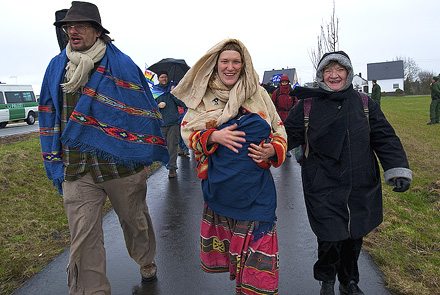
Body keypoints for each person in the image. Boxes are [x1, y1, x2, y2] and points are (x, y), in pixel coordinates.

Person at [39, 2, 169, 294]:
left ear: (97, 31)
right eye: (68, 27)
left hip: (120, 164)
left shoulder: (121, 64)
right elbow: (47, 111)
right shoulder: (56, 67)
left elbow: (143, 109)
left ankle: (145, 259)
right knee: (83, 239)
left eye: (80, 25)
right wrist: (53, 158)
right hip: (76, 167)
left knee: (135, 222)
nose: (72, 30)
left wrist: (141, 149)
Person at [283, 51, 412, 295]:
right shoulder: (307, 105)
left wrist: (397, 169)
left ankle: (349, 281)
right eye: (328, 70)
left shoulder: (364, 103)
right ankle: (327, 280)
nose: (334, 75)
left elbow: (384, 137)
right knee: (330, 237)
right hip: (322, 184)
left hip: (360, 183)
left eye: (339, 70)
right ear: (321, 74)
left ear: (348, 73)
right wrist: (266, 151)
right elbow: (286, 137)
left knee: (354, 237)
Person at [171, 38, 287, 294]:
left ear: (244, 65)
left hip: (257, 189)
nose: (230, 67)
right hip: (221, 188)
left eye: (236, 61)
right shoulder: (204, 97)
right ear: (216, 64)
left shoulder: (259, 94)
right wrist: (213, 136)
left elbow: (278, 127)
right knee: (237, 259)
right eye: (225, 61)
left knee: (258, 262)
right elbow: (187, 130)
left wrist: (273, 149)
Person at [155, 70, 187, 177]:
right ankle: (165, 163)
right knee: (164, 147)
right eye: (161, 77)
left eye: (165, 77)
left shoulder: (173, 89)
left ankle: (172, 168)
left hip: (173, 122)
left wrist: (175, 94)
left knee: (173, 146)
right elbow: (149, 105)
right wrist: (157, 106)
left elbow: (182, 103)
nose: (164, 79)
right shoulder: (155, 91)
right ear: (158, 79)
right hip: (161, 123)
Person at [271, 74, 298, 157]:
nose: (284, 83)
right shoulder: (276, 92)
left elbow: (296, 104)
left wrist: (294, 114)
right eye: (283, 82)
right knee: (280, 133)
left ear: (288, 83)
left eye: (286, 82)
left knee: (289, 133)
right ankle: (280, 149)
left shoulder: (292, 92)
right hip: (280, 115)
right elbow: (272, 104)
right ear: (280, 83)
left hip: (290, 115)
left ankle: (287, 149)